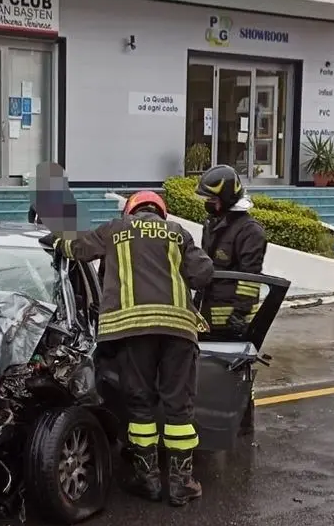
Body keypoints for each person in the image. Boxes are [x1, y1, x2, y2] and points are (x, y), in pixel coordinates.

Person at [40, 190, 214, 506]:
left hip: (131, 332)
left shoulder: (114, 229)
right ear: (161, 212)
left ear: (129, 211)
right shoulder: (178, 233)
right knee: (179, 408)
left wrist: (54, 241)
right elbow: (203, 273)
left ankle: (146, 480)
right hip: (178, 332)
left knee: (141, 406)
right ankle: (180, 484)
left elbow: (77, 248)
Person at [194, 165, 268, 337]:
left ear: (226, 198)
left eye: (212, 199)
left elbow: (250, 278)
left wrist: (239, 314)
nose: (208, 203)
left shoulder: (250, 231)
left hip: (232, 323)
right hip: (208, 316)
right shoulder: (212, 224)